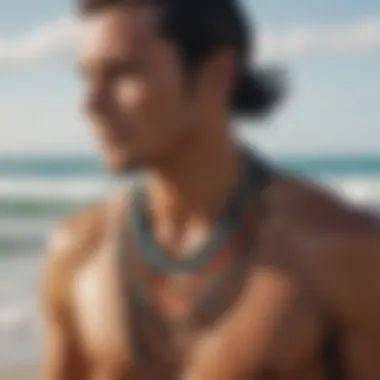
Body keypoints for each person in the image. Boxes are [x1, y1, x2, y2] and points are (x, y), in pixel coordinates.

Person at [42, 0, 380, 379]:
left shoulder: (338, 247)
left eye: (123, 73)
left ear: (217, 73)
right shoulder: (78, 251)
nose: (91, 104)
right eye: (88, 78)